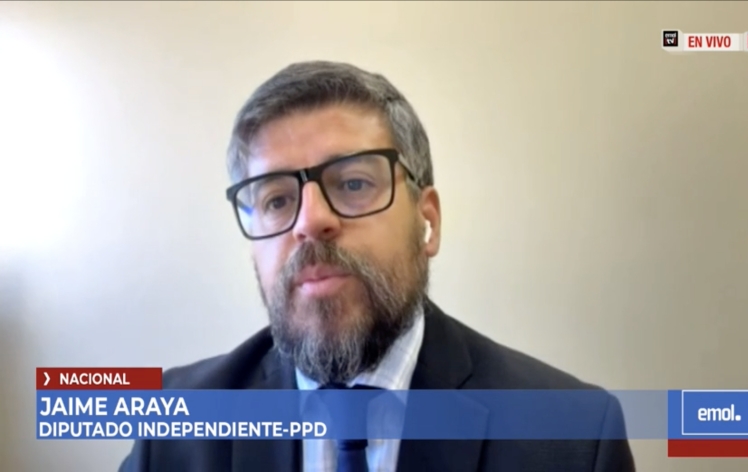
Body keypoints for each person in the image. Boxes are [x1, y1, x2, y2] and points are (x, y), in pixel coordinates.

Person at [119, 61, 635, 472]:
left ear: (427, 220)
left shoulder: (573, 437)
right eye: (277, 199)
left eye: (353, 184)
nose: (310, 221)